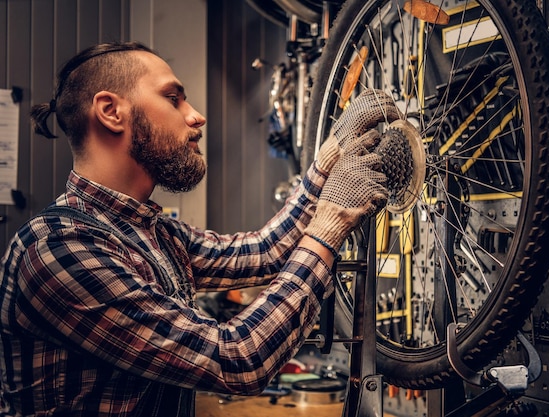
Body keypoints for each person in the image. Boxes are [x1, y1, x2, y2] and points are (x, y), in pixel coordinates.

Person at [0, 41, 400, 416]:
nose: (196, 115)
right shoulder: (57, 250)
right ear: (110, 111)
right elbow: (238, 358)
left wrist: (329, 156)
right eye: (173, 98)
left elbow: (263, 252)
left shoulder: (148, 230)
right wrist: (327, 230)